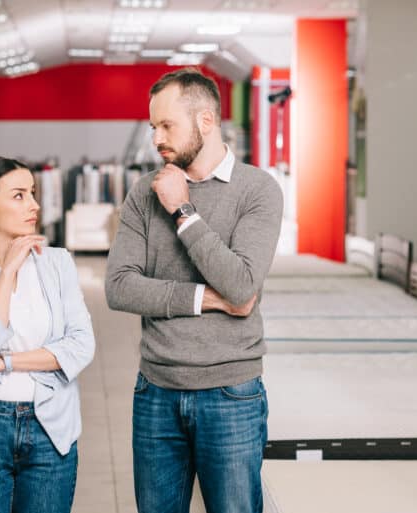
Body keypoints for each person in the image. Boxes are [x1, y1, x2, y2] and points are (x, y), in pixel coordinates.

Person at [105, 68, 283, 513]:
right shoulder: (143, 193)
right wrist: (207, 298)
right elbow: (119, 287)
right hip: (156, 390)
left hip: (231, 393)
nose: (156, 138)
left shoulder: (257, 190)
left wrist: (183, 211)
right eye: (153, 127)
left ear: (206, 121)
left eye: (167, 125)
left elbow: (241, 283)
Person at [0, 156, 95, 513]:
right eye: (20, 195)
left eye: (33, 193)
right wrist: (8, 268)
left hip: (50, 429)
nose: (35, 205)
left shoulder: (58, 263)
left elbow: (81, 345)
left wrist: (3, 362)